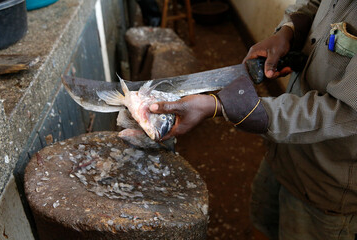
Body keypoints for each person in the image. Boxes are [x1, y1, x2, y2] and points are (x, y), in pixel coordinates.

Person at [149, 0, 357, 239]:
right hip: (283, 152)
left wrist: (220, 106)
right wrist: (287, 31)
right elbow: (313, 3)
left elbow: (345, 111)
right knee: (263, 222)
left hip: (327, 184)